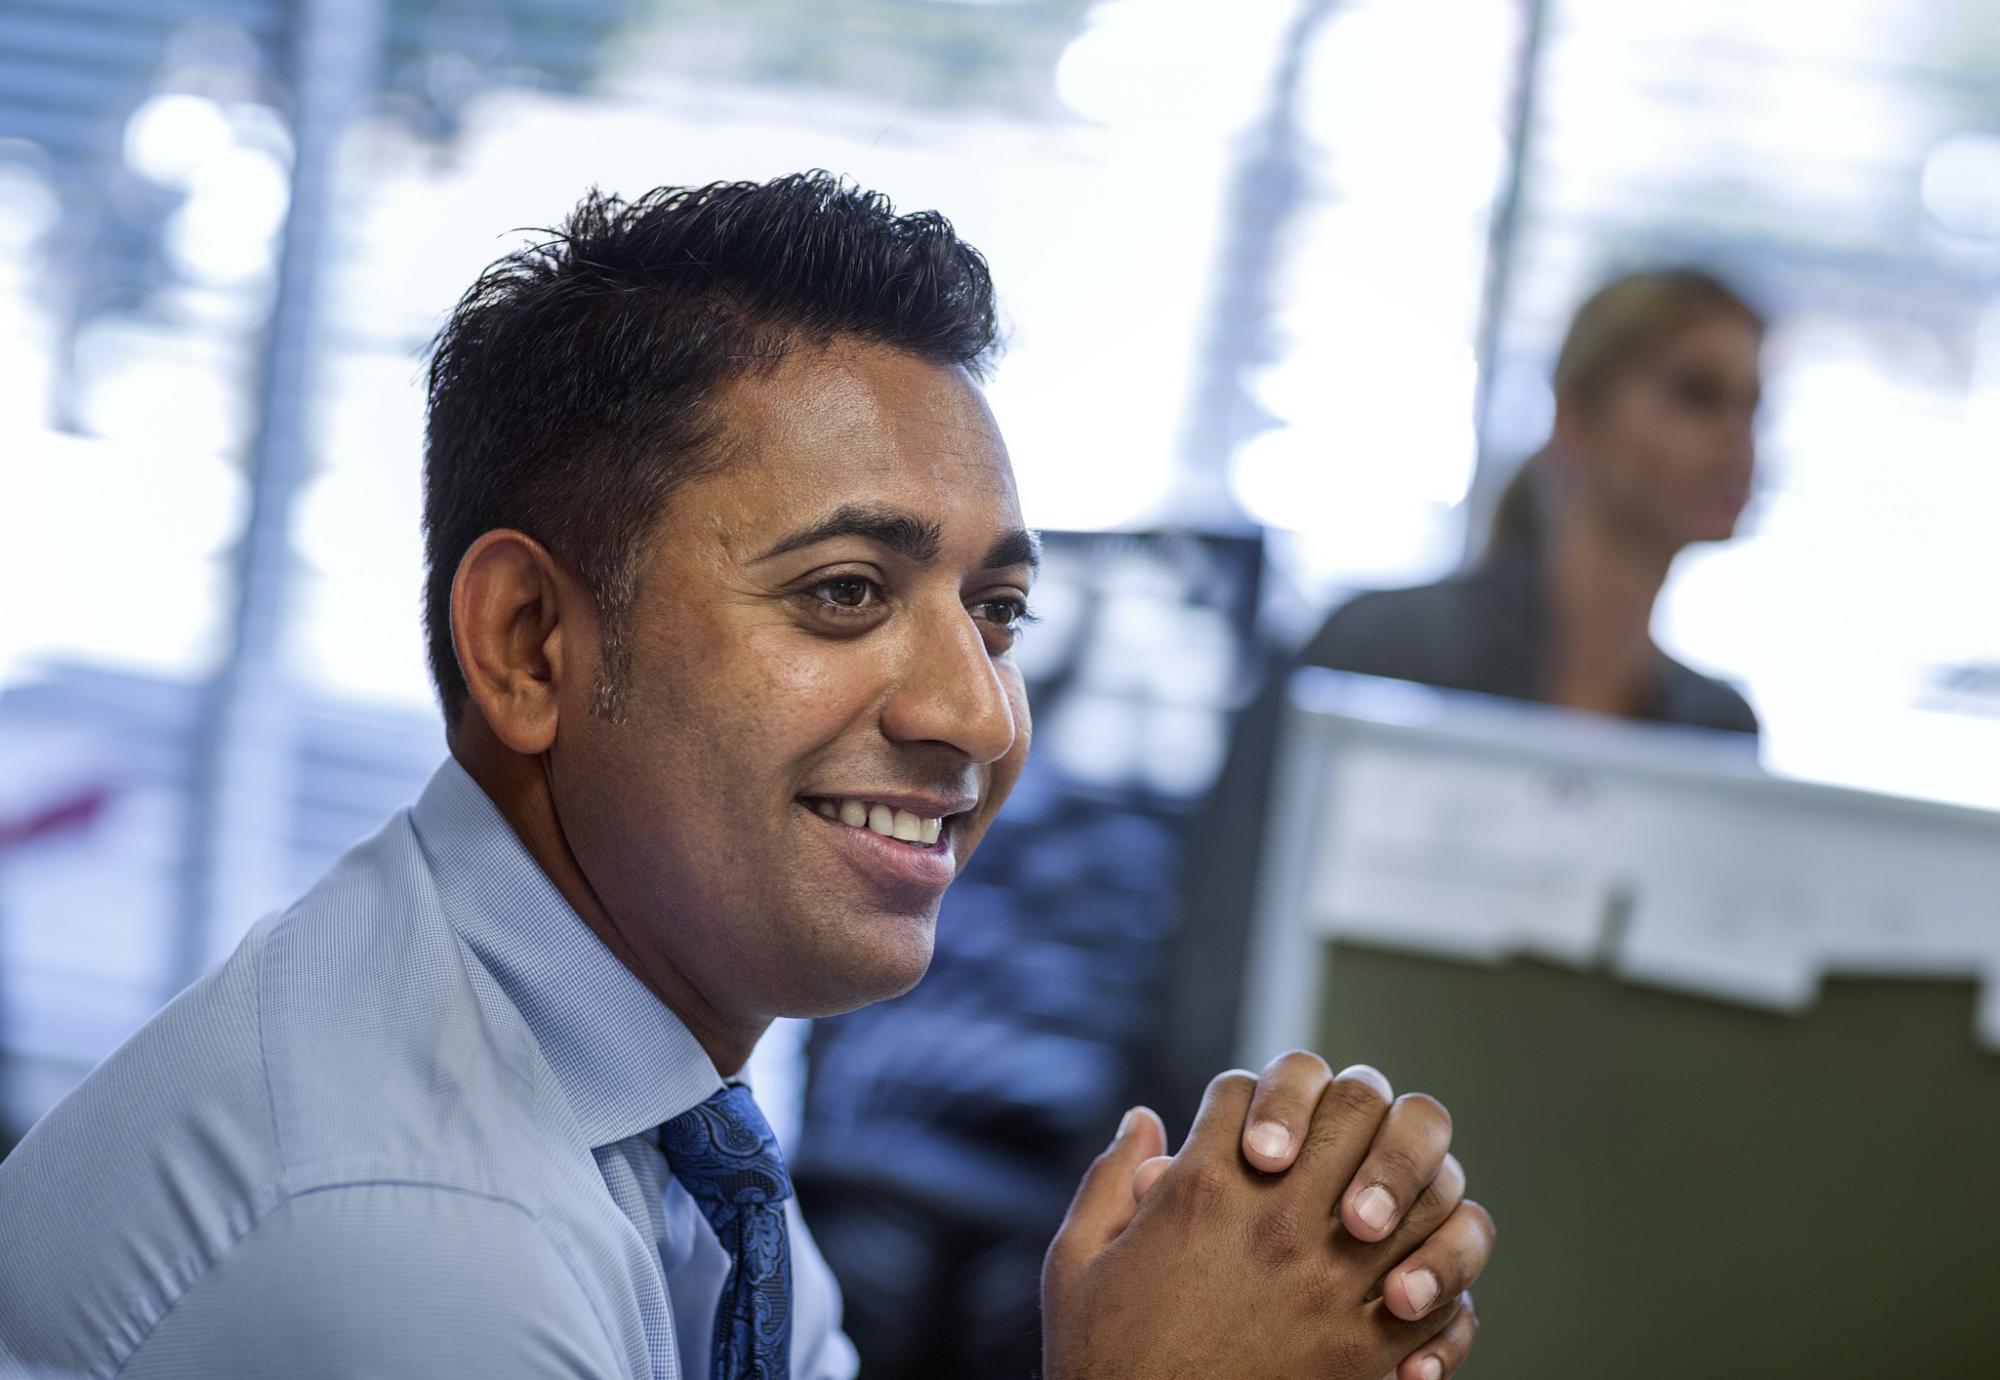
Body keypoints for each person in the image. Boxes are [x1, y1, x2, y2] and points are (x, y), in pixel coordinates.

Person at [0, 175, 1492, 1380]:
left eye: (999, 616)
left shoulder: (649, 1095)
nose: (979, 714)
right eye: (845, 592)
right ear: (528, 644)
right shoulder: (425, 1247)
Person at [1306, 268, 1765, 734]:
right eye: (1696, 396)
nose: (1737, 442)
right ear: (1573, 419)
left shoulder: (1717, 729)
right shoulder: (1381, 652)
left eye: (1750, 407)